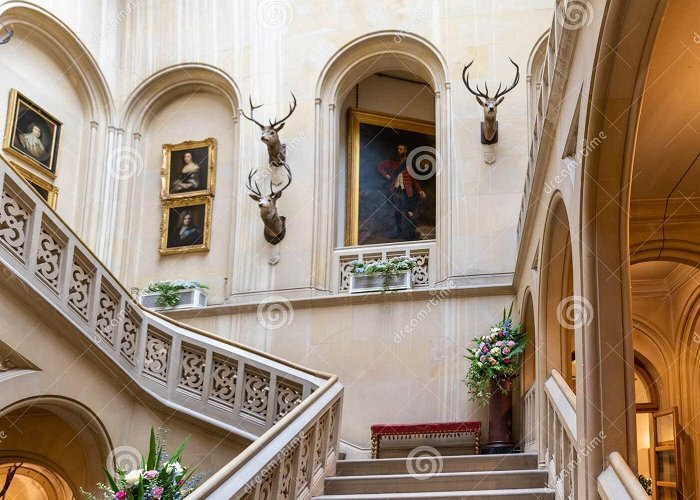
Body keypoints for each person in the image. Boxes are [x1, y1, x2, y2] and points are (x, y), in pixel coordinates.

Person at [377, 143, 426, 239]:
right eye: (398, 149)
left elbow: (413, 179)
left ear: (405, 150)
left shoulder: (408, 163)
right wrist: (387, 176)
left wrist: (419, 190)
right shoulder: (392, 162)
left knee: (408, 213)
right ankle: (399, 232)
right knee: (397, 211)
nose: (400, 151)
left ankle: (409, 234)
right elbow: (380, 166)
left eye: (402, 149)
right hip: (395, 190)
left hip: (406, 191)